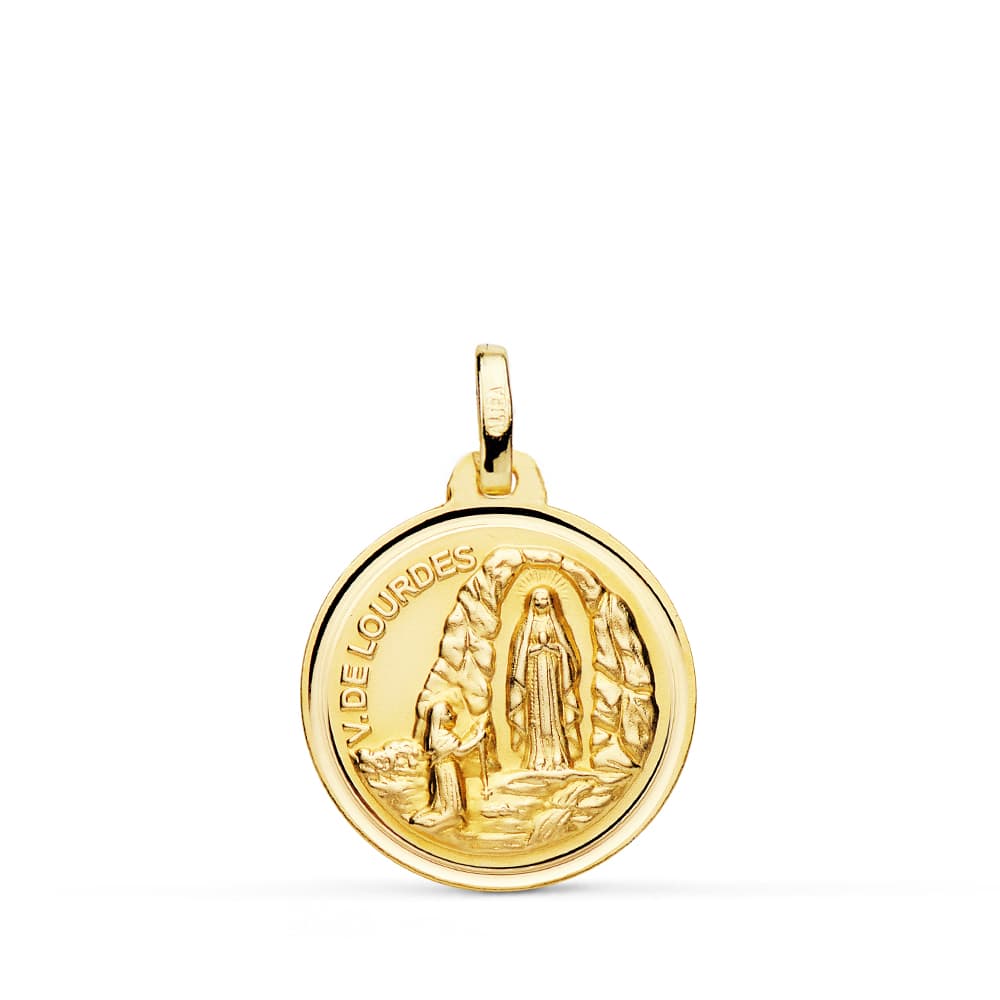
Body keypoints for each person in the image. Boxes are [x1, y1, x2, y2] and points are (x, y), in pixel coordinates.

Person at [507, 587, 582, 770]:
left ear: (550, 602)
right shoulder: (526, 626)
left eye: (545, 599)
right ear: (532, 603)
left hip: (553, 677)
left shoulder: (555, 624)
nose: (541, 603)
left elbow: (566, 649)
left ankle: (557, 756)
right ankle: (538, 756)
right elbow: (520, 654)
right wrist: (533, 651)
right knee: (537, 717)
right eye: (538, 600)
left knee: (553, 715)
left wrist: (556, 650)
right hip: (534, 677)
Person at [409, 701, 486, 830]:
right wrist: (478, 738)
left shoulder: (438, 736)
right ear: (439, 718)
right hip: (446, 770)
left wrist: (475, 737)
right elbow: (460, 751)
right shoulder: (442, 737)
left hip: (444, 769)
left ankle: (446, 814)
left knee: (445, 800)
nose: (452, 715)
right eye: (447, 713)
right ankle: (448, 816)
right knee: (449, 801)